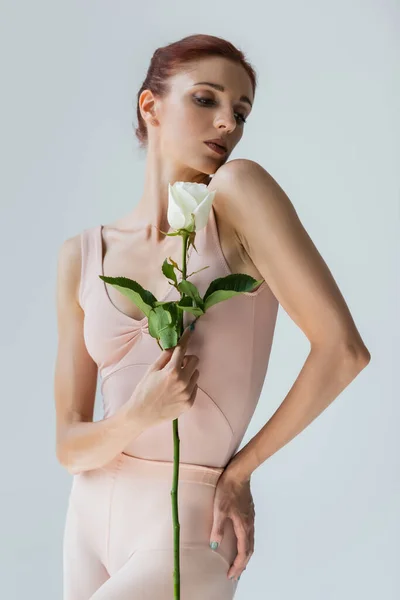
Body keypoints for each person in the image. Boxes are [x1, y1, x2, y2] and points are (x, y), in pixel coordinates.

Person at [55, 33, 371, 599]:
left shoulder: (239, 192)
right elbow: (69, 445)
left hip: (189, 520)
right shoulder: (83, 255)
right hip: (85, 519)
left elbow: (343, 351)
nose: (228, 122)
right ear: (149, 106)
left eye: (241, 111)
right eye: (207, 100)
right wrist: (137, 414)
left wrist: (241, 469)